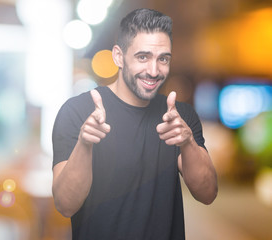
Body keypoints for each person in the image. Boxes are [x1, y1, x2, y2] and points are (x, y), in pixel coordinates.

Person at [51, 8, 218, 239]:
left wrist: (188, 142)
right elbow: (65, 205)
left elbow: (207, 194)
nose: (154, 70)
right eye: (143, 57)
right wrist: (84, 143)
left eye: (163, 59)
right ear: (119, 56)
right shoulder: (76, 112)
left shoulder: (180, 118)